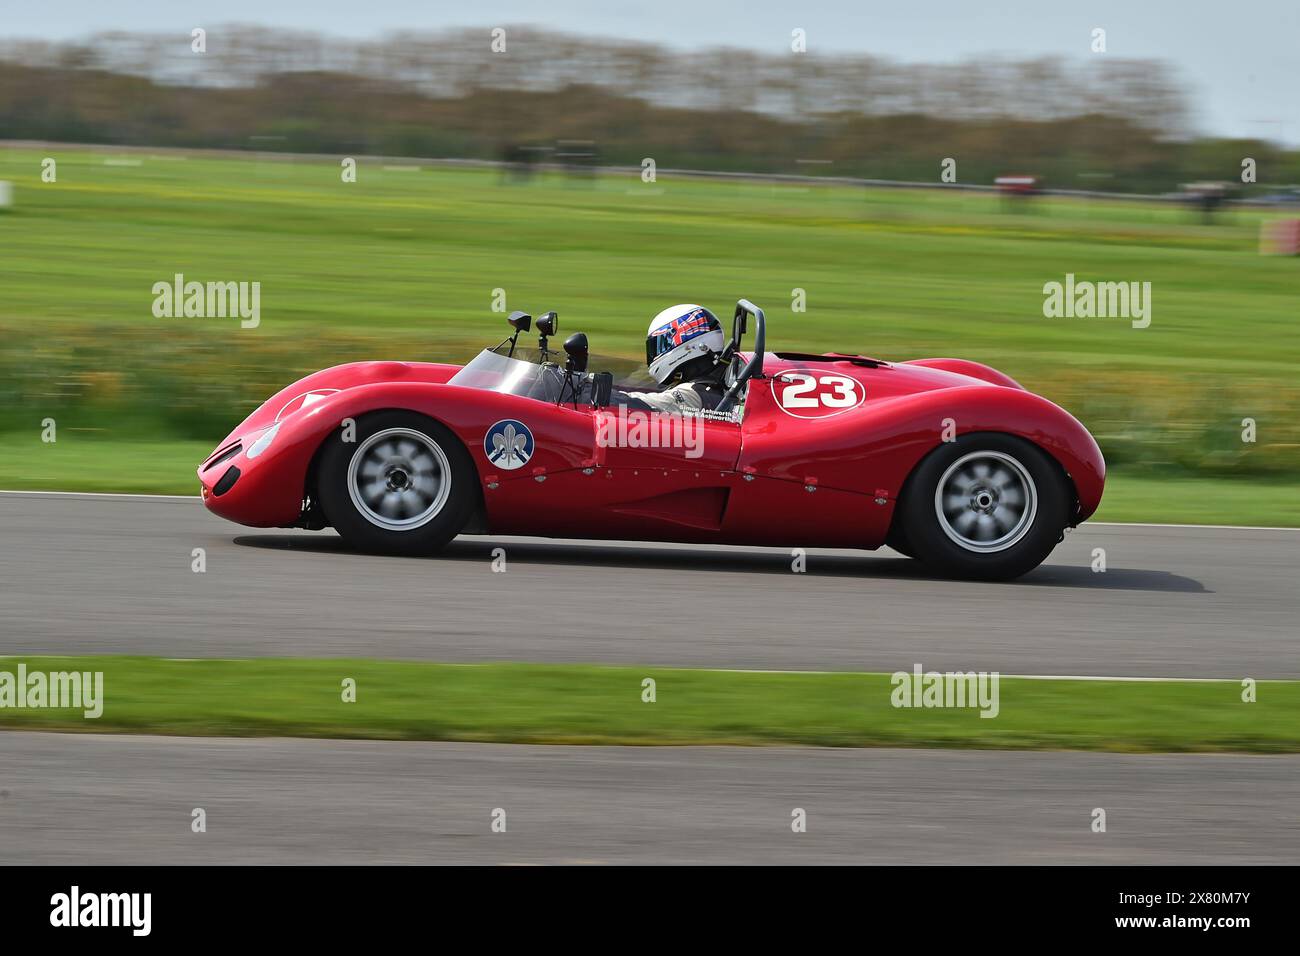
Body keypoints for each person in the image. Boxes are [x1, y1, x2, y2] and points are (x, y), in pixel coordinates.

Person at [616, 304, 728, 413]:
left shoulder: (693, 394)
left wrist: (606, 394)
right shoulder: (713, 383)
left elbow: (638, 403)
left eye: (663, 344)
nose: (655, 352)